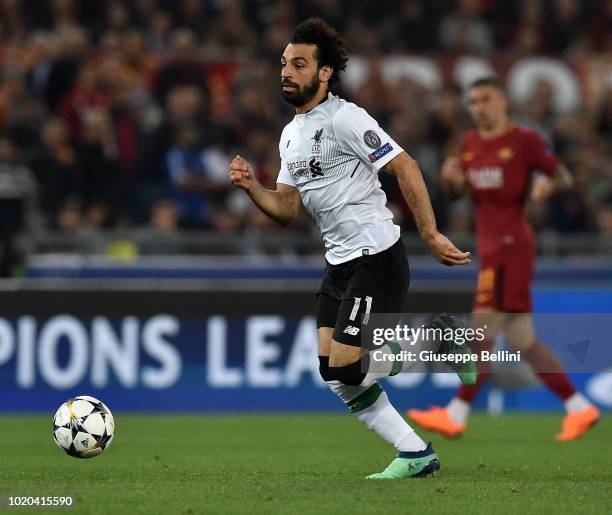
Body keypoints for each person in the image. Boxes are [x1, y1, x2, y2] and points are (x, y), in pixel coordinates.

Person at [229, 18, 474, 479]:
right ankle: (415, 454)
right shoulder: (291, 135)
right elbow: (285, 208)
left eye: (299, 64)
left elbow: (406, 167)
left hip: (376, 256)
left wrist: (431, 233)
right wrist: (251, 188)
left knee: (346, 366)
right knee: (336, 377)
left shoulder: (346, 117)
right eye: (284, 63)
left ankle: (436, 342)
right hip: (339, 264)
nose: (287, 72)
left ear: (324, 73)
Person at [408, 77, 601, 442]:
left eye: (484, 99)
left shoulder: (524, 141)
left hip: (511, 248)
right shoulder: (469, 144)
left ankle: (456, 414)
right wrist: (449, 179)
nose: (477, 107)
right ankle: (579, 408)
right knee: (522, 339)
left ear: (501, 103)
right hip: (492, 247)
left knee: (482, 334)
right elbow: (457, 193)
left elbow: (563, 176)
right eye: (473, 101)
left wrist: (547, 185)